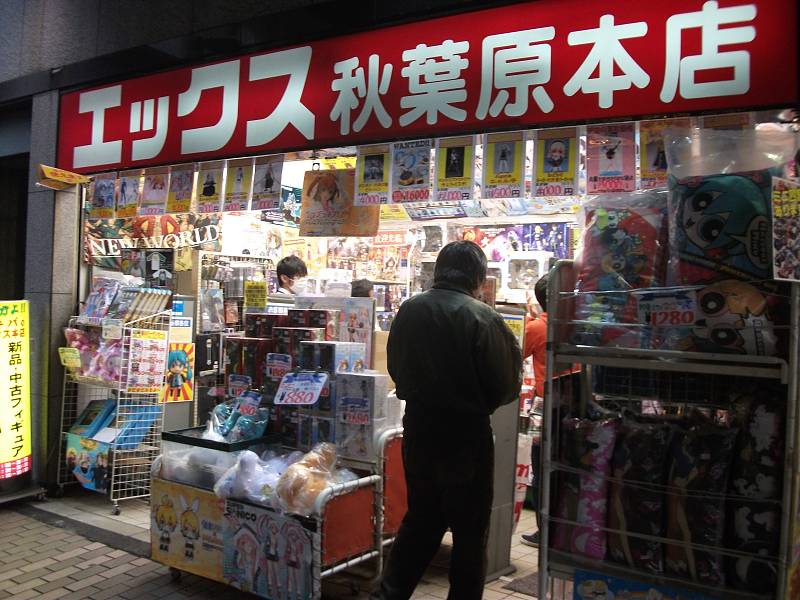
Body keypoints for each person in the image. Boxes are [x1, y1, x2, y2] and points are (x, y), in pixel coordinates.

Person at [372, 240, 523, 600]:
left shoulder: (409, 310)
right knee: (469, 533)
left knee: (421, 519)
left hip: (419, 429)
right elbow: (505, 386)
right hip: (466, 436)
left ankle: (387, 594)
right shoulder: (483, 317)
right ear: (478, 277)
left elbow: (396, 368)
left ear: (439, 271)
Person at [520, 272, 550, 547]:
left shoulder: (537, 327)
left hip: (545, 404)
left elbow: (515, 352)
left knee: (542, 469)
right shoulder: (576, 325)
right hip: (577, 403)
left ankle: (545, 532)